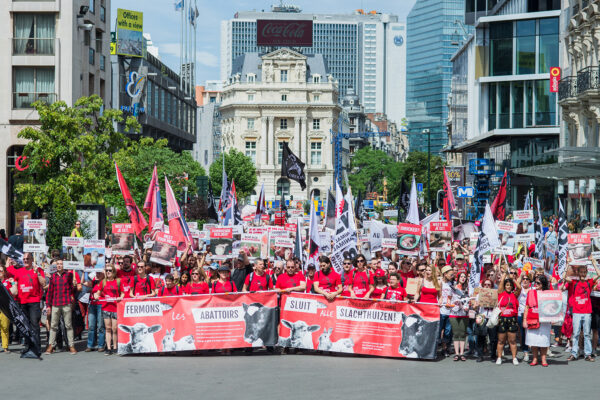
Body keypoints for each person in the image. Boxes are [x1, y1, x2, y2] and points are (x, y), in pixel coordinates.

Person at [562, 259, 600, 361]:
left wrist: (593, 262)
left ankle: (588, 354)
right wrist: (568, 264)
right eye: (581, 272)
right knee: (576, 333)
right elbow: (564, 277)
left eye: (584, 272)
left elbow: (599, 274)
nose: (583, 274)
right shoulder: (574, 282)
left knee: (587, 334)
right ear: (578, 273)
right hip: (577, 312)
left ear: (586, 273)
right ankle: (574, 353)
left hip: (587, 312)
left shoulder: (589, 282)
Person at [13, 252, 45, 354]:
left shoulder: (38, 270)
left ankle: (37, 347)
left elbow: (44, 283)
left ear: (32, 260)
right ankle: (28, 346)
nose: (26, 261)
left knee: (34, 325)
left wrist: (38, 273)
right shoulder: (19, 271)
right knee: (25, 326)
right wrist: (13, 284)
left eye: (28, 259)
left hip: (34, 302)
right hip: (22, 302)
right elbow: (14, 282)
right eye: (24, 259)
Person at [45, 260, 77, 355]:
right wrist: (48, 305)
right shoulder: (53, 277)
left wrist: (74, 285)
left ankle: (71, 345)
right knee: (54, 326)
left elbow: (72, 288)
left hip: (66, 302)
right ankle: (51, 345)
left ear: (64, 265)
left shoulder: (69, 275)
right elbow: (50, 292)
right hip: (55, 303)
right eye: (58, 264)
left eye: (61, 264)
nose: (59, 266)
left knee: (68, 325)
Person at [93, 265, 123, 355]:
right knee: (108, 328)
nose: (108, 272)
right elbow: (97, 293)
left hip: (115, 307)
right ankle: (109, 348)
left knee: (114, 329)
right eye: (107, 270)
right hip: (106, 308)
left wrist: (120, 298)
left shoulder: (118, 281)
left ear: (113, 272)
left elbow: (123, 293)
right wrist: (96, 296)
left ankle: (115, 347)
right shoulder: (103, 282)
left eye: (110, 270)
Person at [524, 275, 551, 367]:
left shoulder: (548, 293)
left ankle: (543, 359)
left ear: (543, 284)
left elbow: (552, 307)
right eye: (535, 282)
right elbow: (527, 307)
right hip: (532, 319)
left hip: (544, 321)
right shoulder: (531, 292)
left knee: (543, 340)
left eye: (538, 283)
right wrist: (524, 320)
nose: (536, 284)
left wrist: (554, 318)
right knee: (533, 340)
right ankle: (535, 358)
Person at [496, 272, 521, 365]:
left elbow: (519, 288)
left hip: (512, 320)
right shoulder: (500, 293)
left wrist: (513, 278)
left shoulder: (514, 295)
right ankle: (499, 357)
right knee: (501, 340)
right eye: (507, 285)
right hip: (502, 319)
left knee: (512, 341)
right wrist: (504, 275)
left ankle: (514, 358)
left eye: (510, 285)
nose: (508, 286)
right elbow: (501, 283)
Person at [448, 271, 469, 361]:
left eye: (464, 277)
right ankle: (457, 353)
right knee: (456, 334)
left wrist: (468, 306)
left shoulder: (468, 289)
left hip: (464, 314)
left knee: (462, 333)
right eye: (461, 277)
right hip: (454, 313)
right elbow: (449, 300)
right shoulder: (453, 288)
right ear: (458, 278)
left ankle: (462, 353)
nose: (463, 278)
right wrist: (453, 304)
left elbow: (470, 301)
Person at [85, 271, 105, 352]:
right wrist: (84, 272)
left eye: (99, 273)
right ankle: (90, 345)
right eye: (97, 273)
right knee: (91, 326)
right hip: (92, 304)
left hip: (101, 304)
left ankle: (101, 345)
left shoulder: (105, 282)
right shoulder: (93, 281)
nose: (97, 274)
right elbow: (84, 283)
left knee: (100, 326)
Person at [0, 265, 17, 353]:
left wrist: (13, 283)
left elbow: (14, 292)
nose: (0, 273)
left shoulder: (7, 281)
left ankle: (5, 346)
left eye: (1, 271)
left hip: (5, 308)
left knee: (5, 328)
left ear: (5, 272)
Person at [517, 271, 532, 362]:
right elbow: (517, 282)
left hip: (531, 314)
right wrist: (521, 275)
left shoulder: (533, 289)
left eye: (527, 279)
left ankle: (533, 351)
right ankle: (525, 352)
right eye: (524, 279)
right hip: (521, 313)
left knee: (530, 333)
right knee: (523, 334)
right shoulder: (519, 289)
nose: (525, 280)